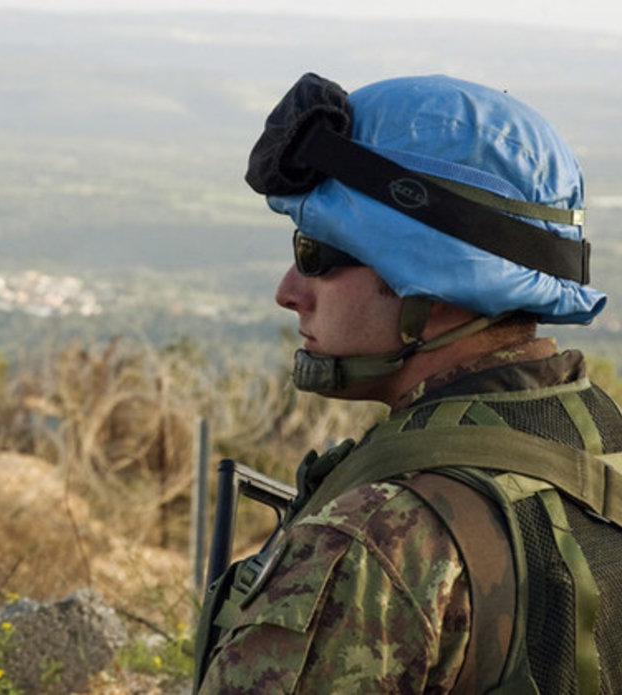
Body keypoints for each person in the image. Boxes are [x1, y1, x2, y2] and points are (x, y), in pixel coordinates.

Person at [193, 73, 622, 694]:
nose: (289, 292)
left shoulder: (370, 545)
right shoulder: (601, 442)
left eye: (317, 255)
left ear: (436, 283)